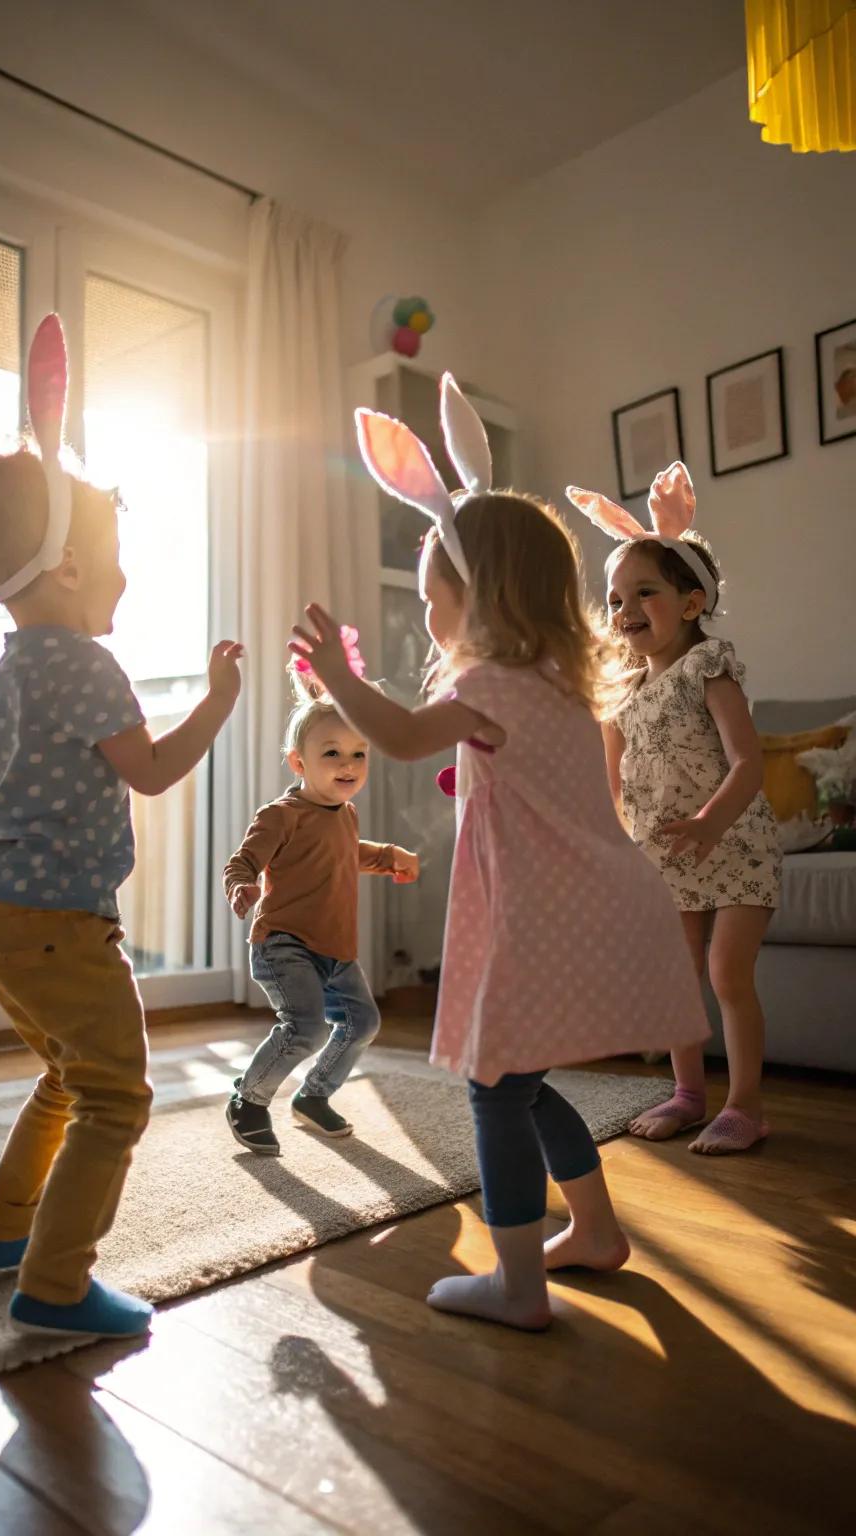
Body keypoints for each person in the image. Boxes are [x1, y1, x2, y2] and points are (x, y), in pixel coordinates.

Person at [283, 376, 707, 1330]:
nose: (430, 617)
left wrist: (340, 678)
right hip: (591, 900)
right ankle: (592, 1233)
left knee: (492, 1088)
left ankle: (518, 1285)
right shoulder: (556, 683)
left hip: (544, 909)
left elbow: (394, 735)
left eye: (436, 597)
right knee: (525, 1079)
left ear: (479, 598)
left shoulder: (495, 683)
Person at [0, 315, 242, 1336]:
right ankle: (53, 1283)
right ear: (62, 570)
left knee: (64, 1077)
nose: (125, 577)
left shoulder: (7, 673)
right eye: (113, 557)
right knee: (116, 1096)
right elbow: (148, 771)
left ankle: (7, 1228)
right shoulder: (85, 665)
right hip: (63, 921)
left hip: (1, 918)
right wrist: (218, 704)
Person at [567, 463, 781, 1153]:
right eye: (614, 597)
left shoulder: (706, 668)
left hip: (734, 841)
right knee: (673, 977)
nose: (624, 607)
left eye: (644, 592)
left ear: (692, 603)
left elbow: (749, 762)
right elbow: (614, 787)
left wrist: (713, 821)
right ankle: (689, 1094)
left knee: (726, 974)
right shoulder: (621, 697)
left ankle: (746, 1106)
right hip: (665, 855)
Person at [224, 656, 419, 1156]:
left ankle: (313, 1097)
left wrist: (389, 856)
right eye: (332, 753)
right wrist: (242, 886)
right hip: (284, 942)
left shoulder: (345, 814)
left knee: (363, 1023)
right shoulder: (281, 815)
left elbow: (345, 855)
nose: (348, 766)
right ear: (298, 762)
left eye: (358, 754)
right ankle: (249, 1099)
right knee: (305, 1027)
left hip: (335, 947)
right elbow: (242, 861)